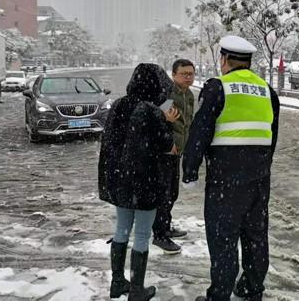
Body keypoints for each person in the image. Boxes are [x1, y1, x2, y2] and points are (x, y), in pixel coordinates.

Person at [182, 36, 280, 301]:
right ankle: (251, 289)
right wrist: (261, 167)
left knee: (223, 239)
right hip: (259, 179)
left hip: (226, 179)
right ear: (249, 63)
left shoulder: (217, 87)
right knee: (255, 236)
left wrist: (190, 169)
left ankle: (220, 295)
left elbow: (200, 131)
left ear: (224, 60)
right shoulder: (267, 90)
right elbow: (272, 136)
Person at [98, 63, 180, 301]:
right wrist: (168, 121)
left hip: (119, 180)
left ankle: (117, 282)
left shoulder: (118, 105)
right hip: (144, 182)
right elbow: (170, 147)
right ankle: (137, 289)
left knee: (122, 229)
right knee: (142, 234)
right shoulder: (153, 111)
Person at [152, 59, 196, 254]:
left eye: (191, 74)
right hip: (165, 152)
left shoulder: (189, 95)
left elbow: (188, 123)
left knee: (172, 193)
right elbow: (159, 121)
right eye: (184, 74)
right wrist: (168, 144)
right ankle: (159, 234)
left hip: (178, 152)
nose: (188, 77)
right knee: (163, 193)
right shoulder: (168, 94)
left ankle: (166, 226)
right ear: (174, 75)